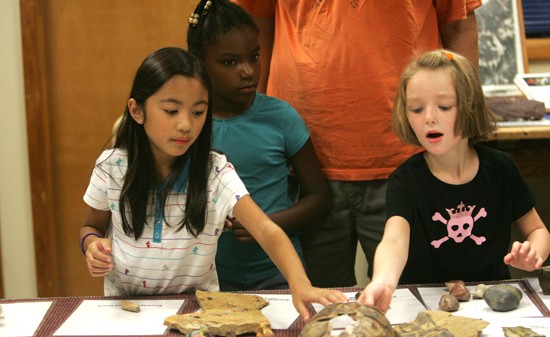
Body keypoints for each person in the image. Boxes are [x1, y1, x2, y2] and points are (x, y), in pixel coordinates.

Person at [79, 47, 347, 320]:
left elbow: (266, 230)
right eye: (171, 111)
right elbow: (91, 227)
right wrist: (91, 246)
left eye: (198, 112)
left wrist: (299, 283)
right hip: (125, 312)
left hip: (197, 313)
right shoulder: (111, 167)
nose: (185, 125)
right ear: (137, 111)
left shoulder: (215, 171)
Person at [234, 0, 483, 288]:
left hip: (406, 158)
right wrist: (254, 122)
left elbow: (459, 23)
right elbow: (256, 26)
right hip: (302, 160)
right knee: (317, 306)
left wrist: (465, 118)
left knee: (410, 299)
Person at [357, 50, 550, 313]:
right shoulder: (406, 179)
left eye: (444, 106)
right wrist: (383, 281)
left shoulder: (500, 169)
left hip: (488, 300)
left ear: (469, 106)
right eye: (416, 108)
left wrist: (533, 254)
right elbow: (394, 241)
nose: (428, 117)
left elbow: (538, 231)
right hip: (425, 302)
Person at [186, 0, 332, 291]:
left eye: (254, 57)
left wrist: (266, 223)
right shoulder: (188, 125)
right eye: (230, 62)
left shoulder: (281, 117)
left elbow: (320, 197)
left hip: (279, 276)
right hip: (206, 279)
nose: (248, 71)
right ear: (200, 62)